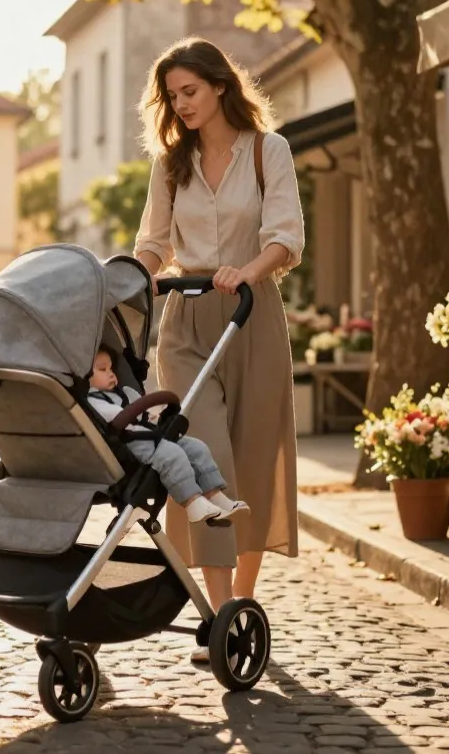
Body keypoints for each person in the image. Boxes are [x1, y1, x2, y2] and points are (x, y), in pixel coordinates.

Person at [132, 36, 305, 663]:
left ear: (221, 86)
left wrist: (248, 270)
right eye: (171, 96)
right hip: (185, 322)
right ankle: (219, 611)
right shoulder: (170, 166)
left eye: (190, 91)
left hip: (250, 314)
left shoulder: (268, 152)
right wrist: (136, 271)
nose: (180, 105)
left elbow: (286, 236)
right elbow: (153, 240)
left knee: (251, 462)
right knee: (204, 459)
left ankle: (239, 608)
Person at [87, 346, 248, 523]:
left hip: (150, 436)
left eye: (111, 368)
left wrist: (154, 419)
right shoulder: (93, 403)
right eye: (103, 370)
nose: (111, 374)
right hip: (129, 444)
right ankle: (192, 502)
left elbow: (144, 413)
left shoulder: (125, 394)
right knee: (172, 454)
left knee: (196, 448)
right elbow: (118, 419)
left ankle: (214, 495)